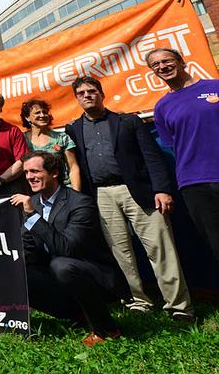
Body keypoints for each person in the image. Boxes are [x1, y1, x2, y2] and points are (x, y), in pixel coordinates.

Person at [66, 76, 193, 320]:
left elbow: (152, 157)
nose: (87, 95)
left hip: (139, 192)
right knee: (119, 252)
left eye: (92, 91)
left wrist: (162, 189)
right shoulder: (73, 129)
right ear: (77, 98)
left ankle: (179, 306)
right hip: (101, 196)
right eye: (81, 92)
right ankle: (137, 302)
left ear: (102, 94)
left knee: (160, 248)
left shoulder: (128, 121)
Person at [147, 47, 219, 321]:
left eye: (167, 61)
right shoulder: (162, 107)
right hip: (195, 185)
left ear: (181, 62)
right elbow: (175, 145)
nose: (163, 67)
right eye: (156, 65)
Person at [11, 151, 129, 346]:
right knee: (18, 269)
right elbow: (29, 246)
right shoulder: (33, 204)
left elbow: (66, 248)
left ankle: (106, 328)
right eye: (26, 172)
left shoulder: (80, 203)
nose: (29, 177)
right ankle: (77, 313)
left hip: (94, 277)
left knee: (62, 265)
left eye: (35, 171)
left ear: (55, 173)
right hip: (58, 275)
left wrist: (32, 215)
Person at [21, 99, 81, 191]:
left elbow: (73, 167)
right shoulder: (21, 139)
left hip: (63, 189)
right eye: (37, 113)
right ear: (27, 117)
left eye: (45, 112)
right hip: (35, 192)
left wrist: (76, 194)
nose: (42, 115)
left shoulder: (61, 137)